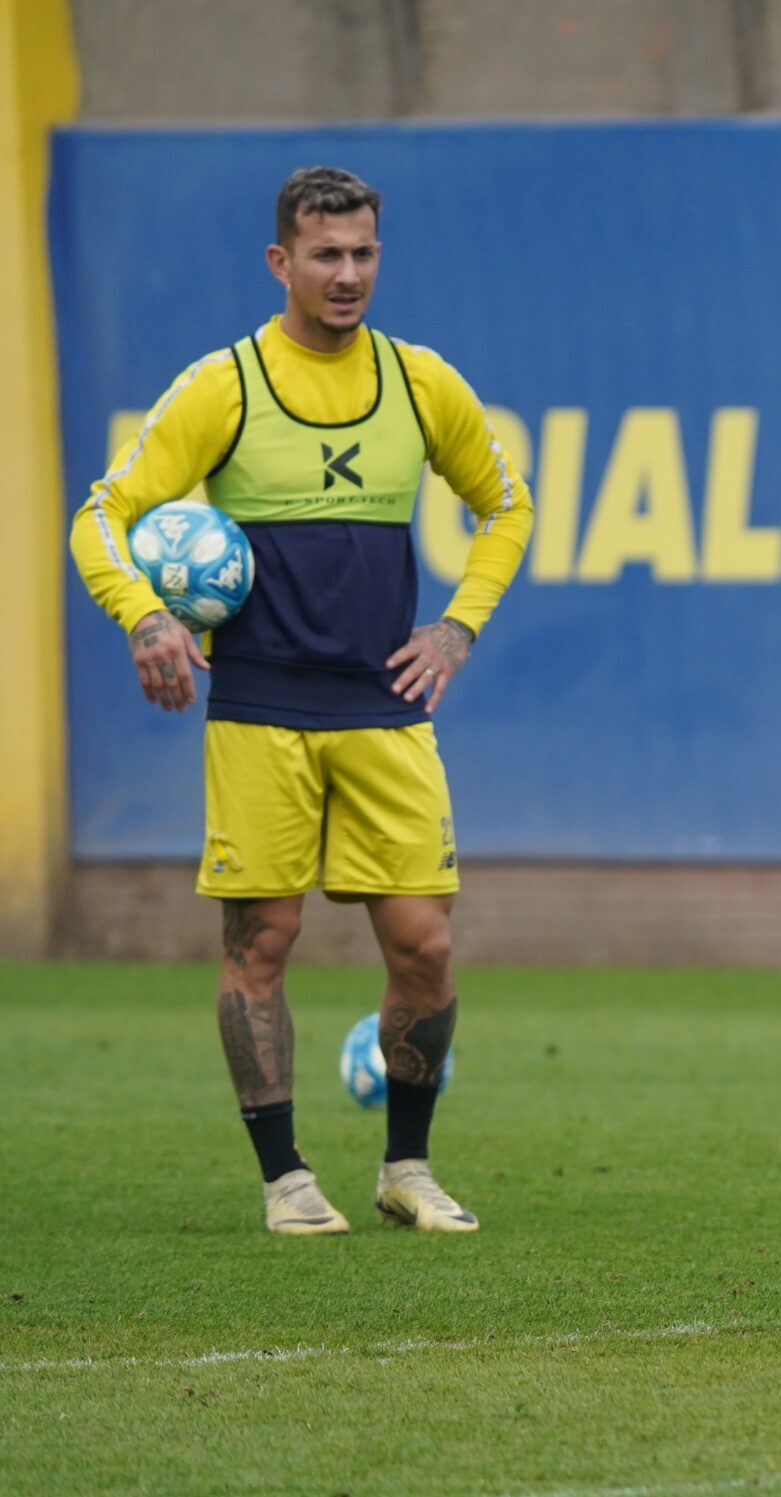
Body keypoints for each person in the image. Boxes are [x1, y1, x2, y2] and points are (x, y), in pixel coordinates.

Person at [67, 166, 532, 1235]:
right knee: (262, 943)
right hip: (261, 713)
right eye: (326, 254)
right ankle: (286, 1179)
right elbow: (105, 512)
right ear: (281, 262)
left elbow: (506, 505)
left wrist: (458, 625)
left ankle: (406, 1170)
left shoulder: (421, 385)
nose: (348, 273)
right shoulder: (224, 386)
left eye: (364, 252)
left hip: (384, 712)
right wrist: (144, 614)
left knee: (425, 947)